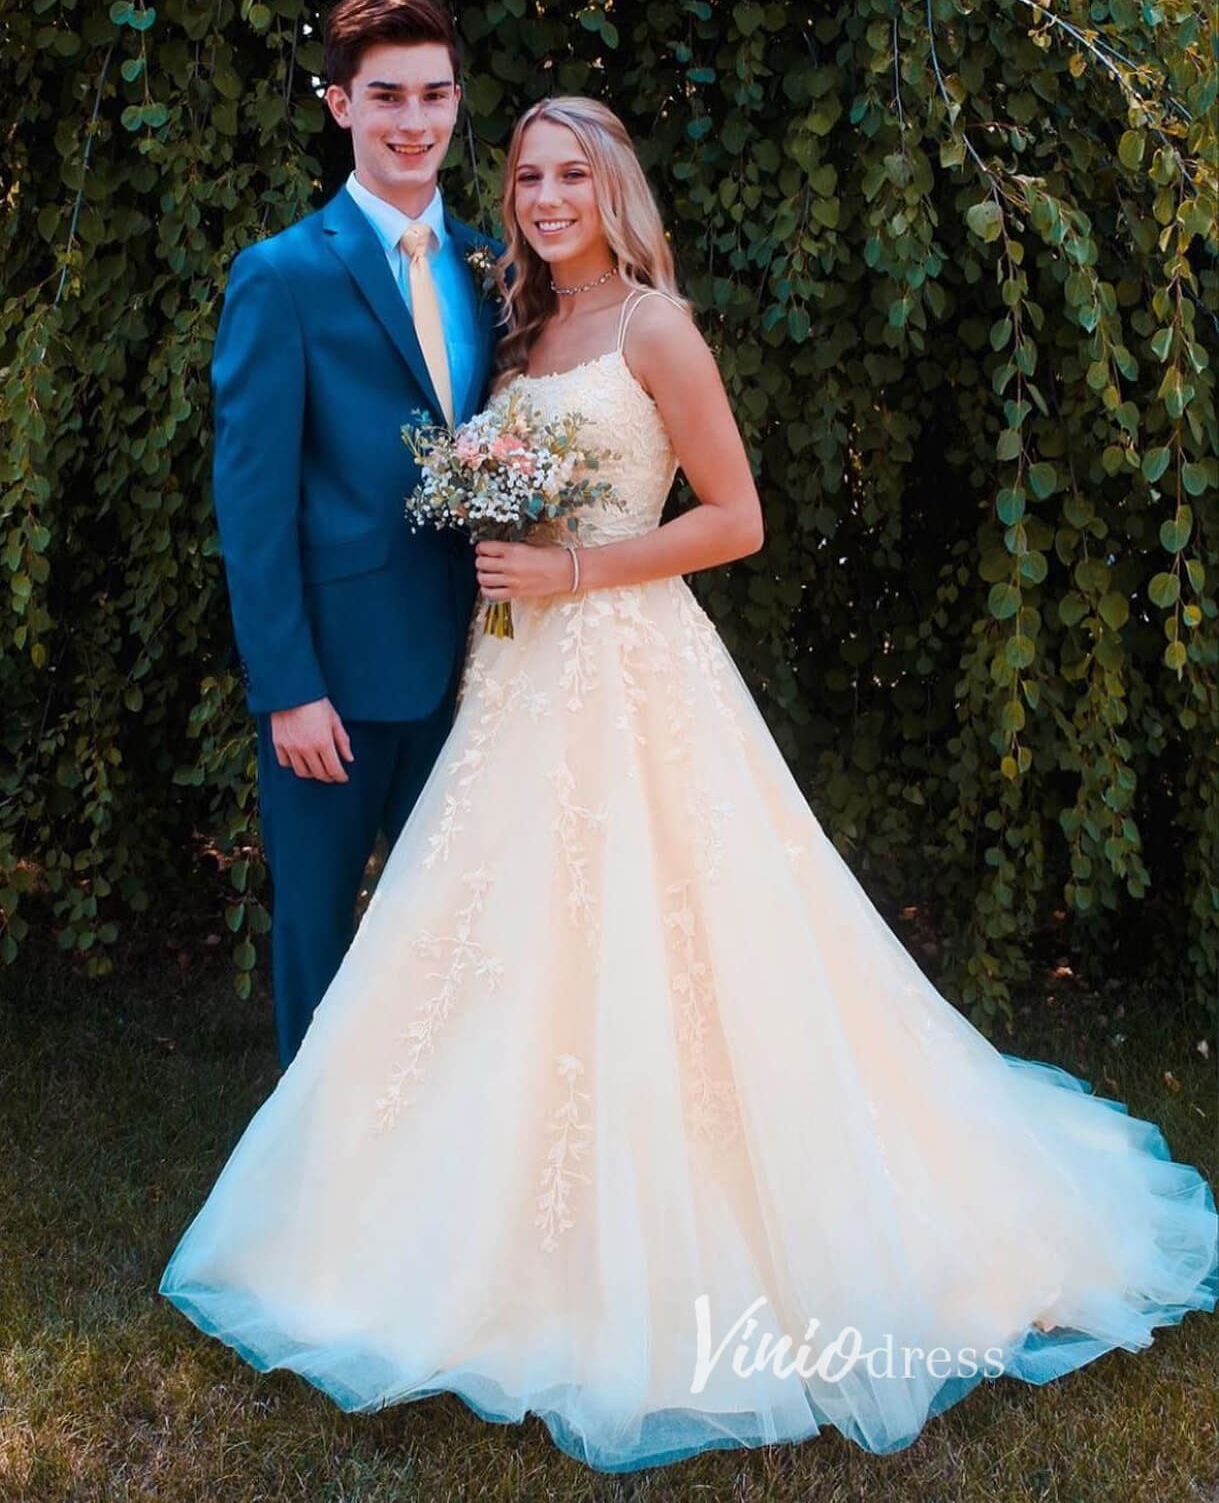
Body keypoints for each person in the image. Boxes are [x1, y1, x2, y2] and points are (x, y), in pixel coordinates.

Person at [162, 96, 1218, 1473]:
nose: (546, 198)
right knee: (497, 942)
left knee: (671, 936)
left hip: (627, 661)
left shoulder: (653, 326)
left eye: (571, 175)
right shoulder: (519, 326)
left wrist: (574, 567)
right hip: (517, 676)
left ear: (614, 190)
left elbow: (736, 518)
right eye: (527, 176)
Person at [210, 0, 501, 1069]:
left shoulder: (493, 267)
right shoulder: (282, 275)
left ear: (457, 101)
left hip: (481, 670)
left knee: (463, 941)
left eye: (433, 94)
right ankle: (310, 1155)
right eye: (386, 96)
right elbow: (252, 503)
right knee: (319, 941)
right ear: (340, 105)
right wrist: (288, 687)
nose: (412, 121)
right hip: (331, 685)